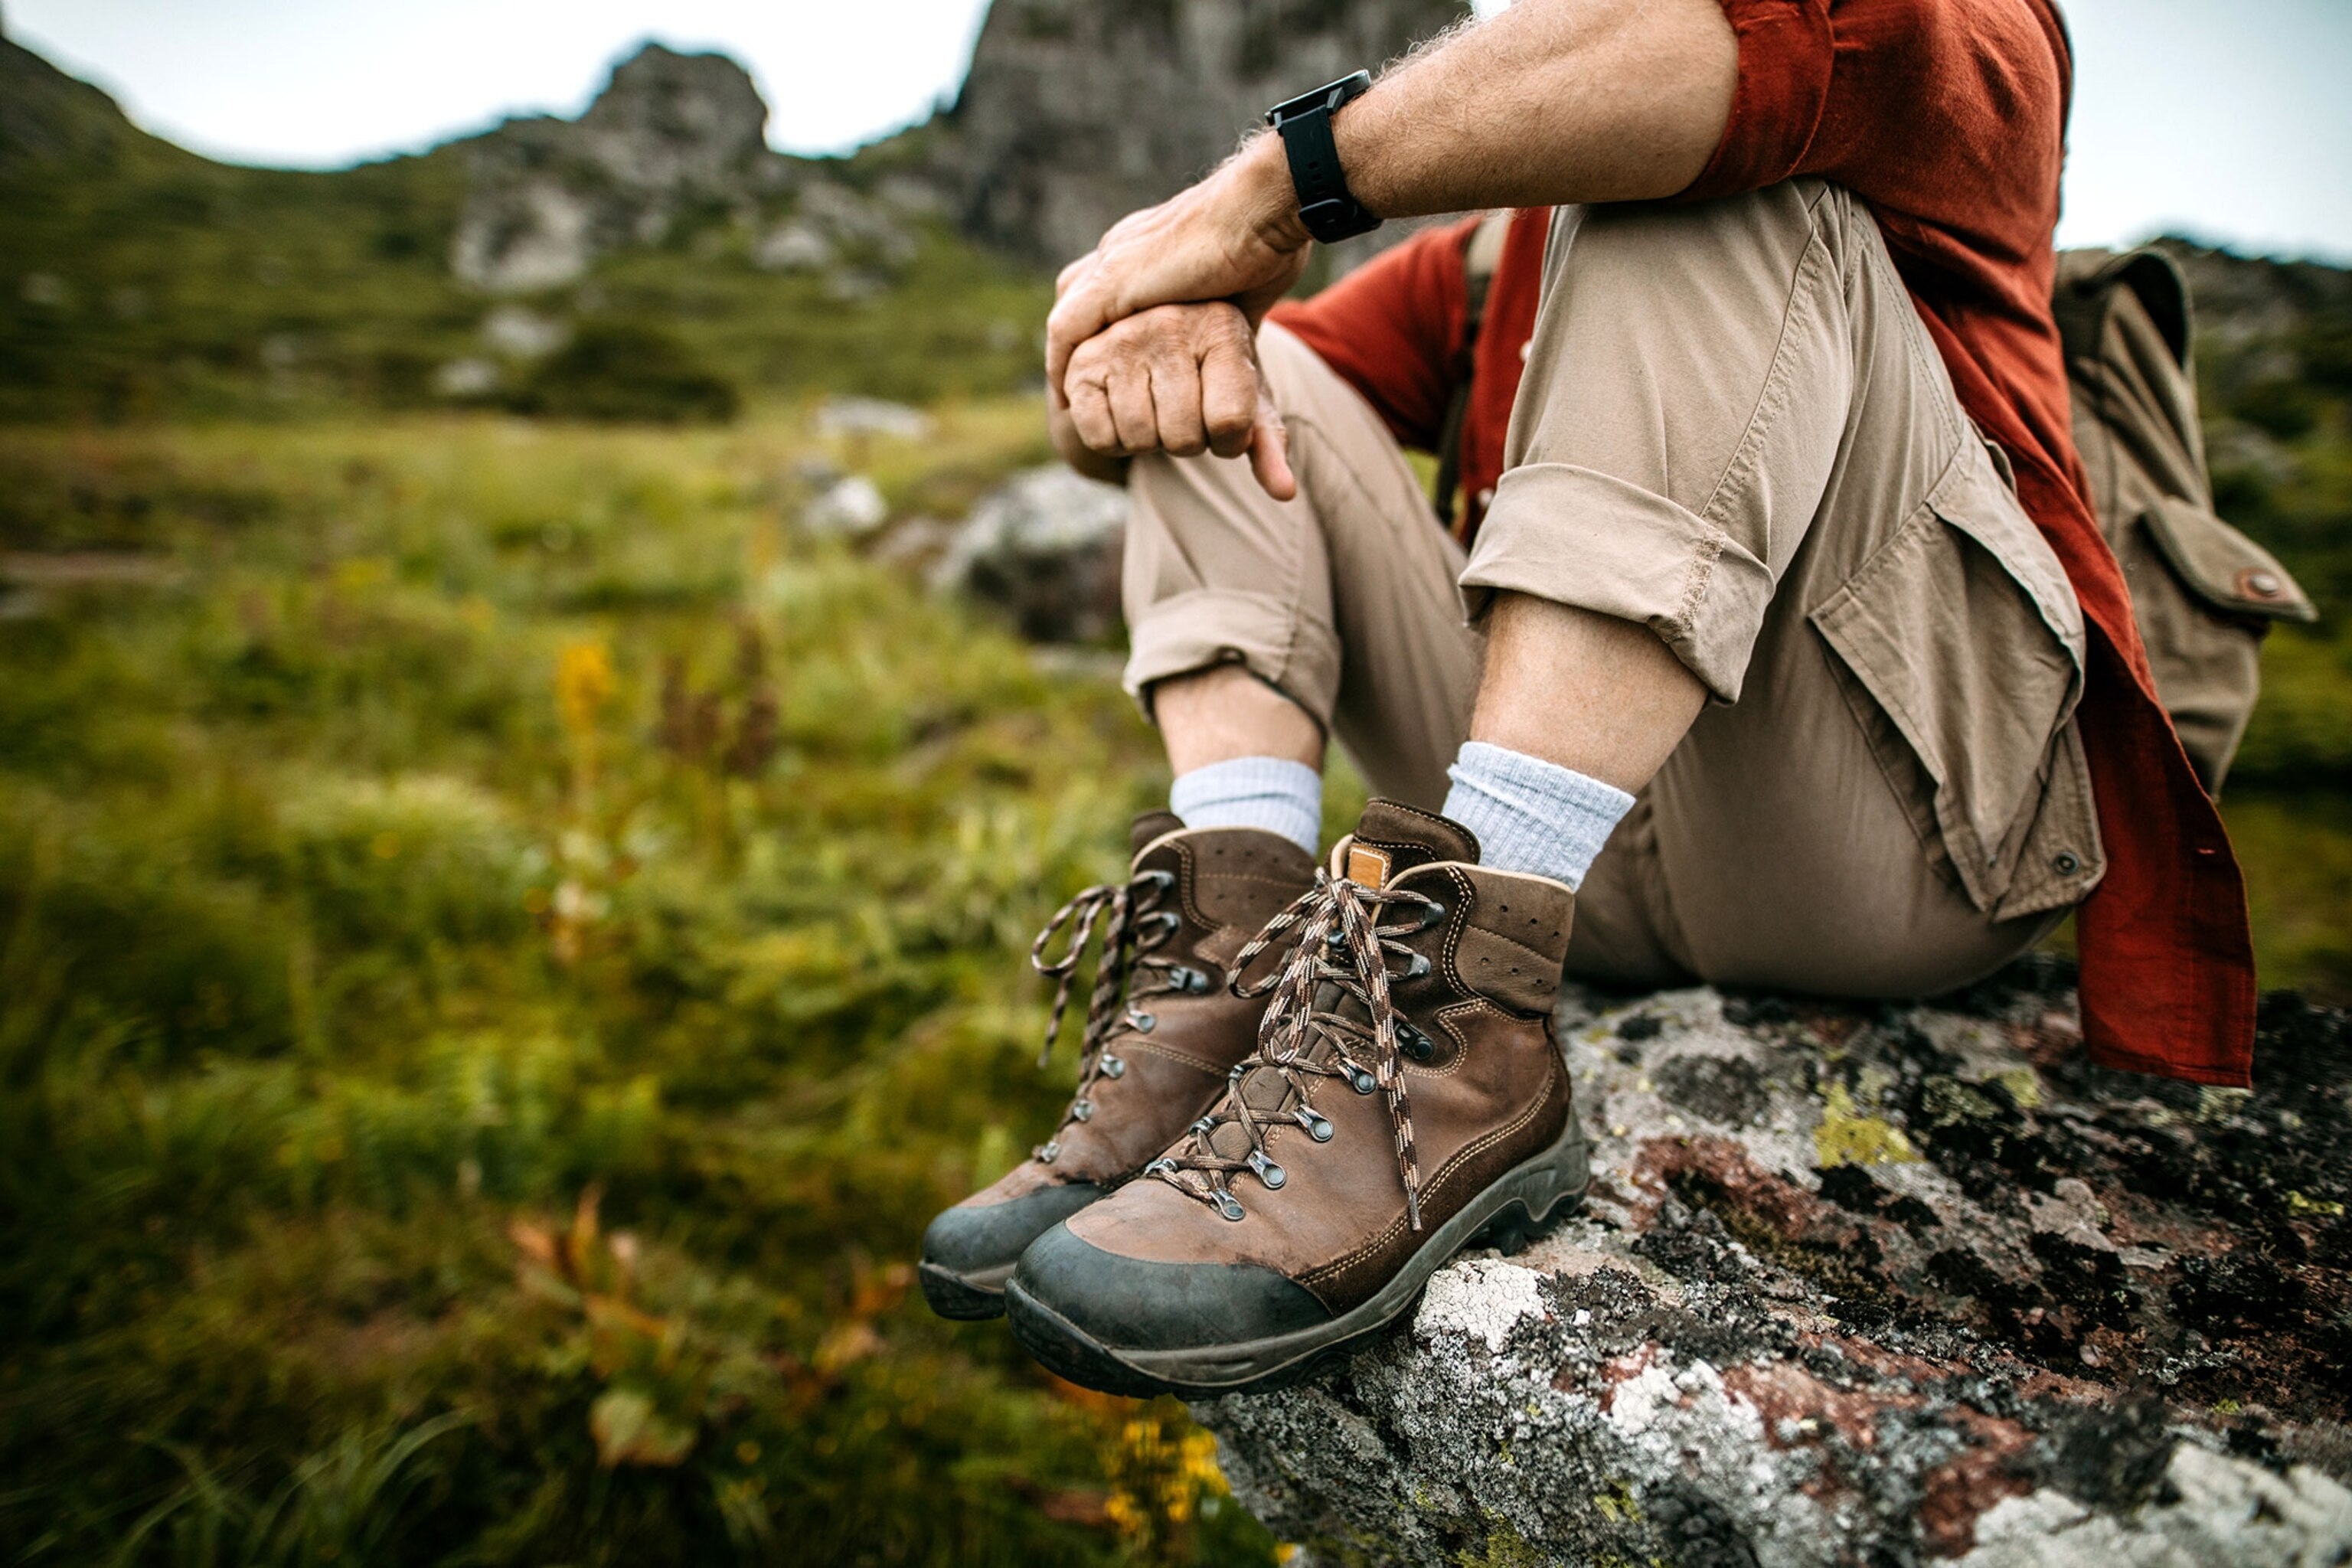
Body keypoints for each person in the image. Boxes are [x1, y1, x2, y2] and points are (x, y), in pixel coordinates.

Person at [920, 0, 2258, 1398]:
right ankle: (1247, 977)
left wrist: (1268, 188)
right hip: (1593, 877)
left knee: (1709, 182)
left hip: (1893, 845)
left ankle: (1453, 1044)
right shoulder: (1482, 261)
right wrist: (1155, 319)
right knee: (1248, 357)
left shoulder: (1973, 33)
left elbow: (1742, 49)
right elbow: (1105, 425)